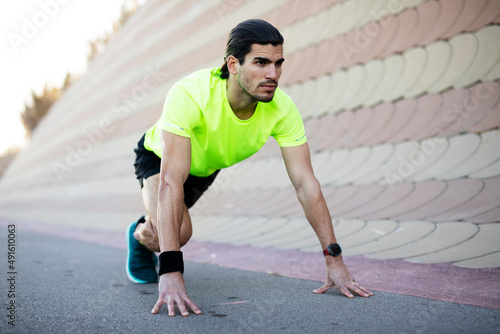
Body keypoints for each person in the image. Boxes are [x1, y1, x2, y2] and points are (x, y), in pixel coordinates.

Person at [127, 19, 373, 317]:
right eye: (261, 62)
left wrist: (334, 260)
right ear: (233, 64)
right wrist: (171, 272)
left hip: (206, 168)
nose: (273, 74)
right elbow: (170, 180)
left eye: (278, 63)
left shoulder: (282, 110)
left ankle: (153, 222)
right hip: (160, 158)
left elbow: (306, 184)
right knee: (178, 233)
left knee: (172, 228)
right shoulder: (191, 93)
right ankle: (140, 233)